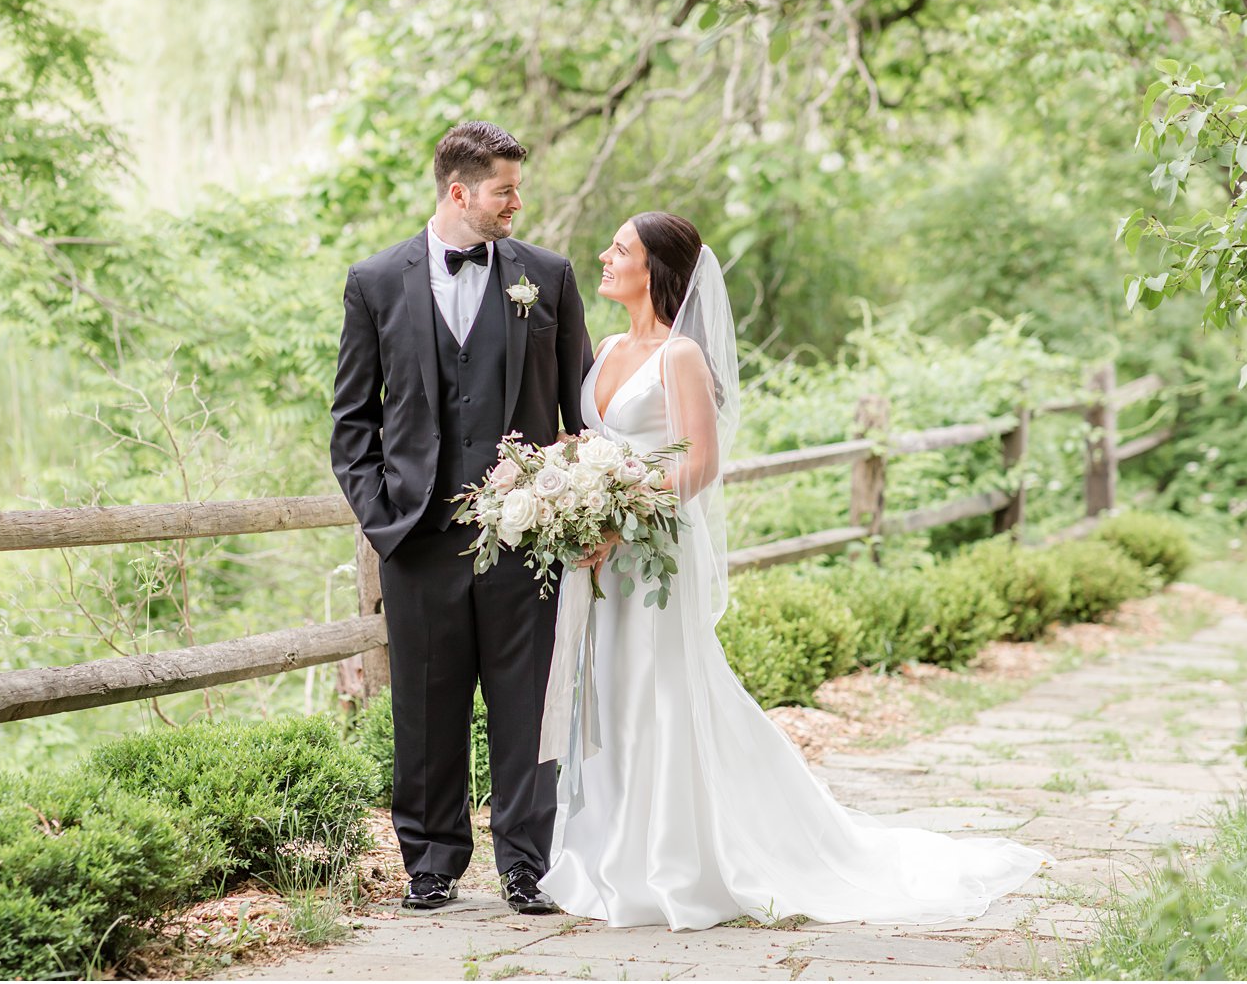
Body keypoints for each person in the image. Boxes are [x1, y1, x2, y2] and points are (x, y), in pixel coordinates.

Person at [537, 212, 1050, 930]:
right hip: (602, 559)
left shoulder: (680, 355)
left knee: (662, 683)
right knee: (612, 684)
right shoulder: (610, 345)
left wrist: (624, 514)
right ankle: (609, 852)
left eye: (620, 248)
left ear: (654, 269)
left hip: (653, 550)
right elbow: (594, 440)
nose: (603, 255)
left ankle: (672, 861)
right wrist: (560, 485)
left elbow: (701, 462)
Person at [330, 121, 593, 913]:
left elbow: (579, 407)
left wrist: (567, 505)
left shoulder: (547, 276)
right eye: (505, 189)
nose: (518, 201)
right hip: (418, 537)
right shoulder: (375, 281)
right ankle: (433, 862)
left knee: (525, 705)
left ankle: (525, 866)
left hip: (526, 537)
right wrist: (385, 522)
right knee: (427, 706)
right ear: (458, 191)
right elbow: (352, 422)